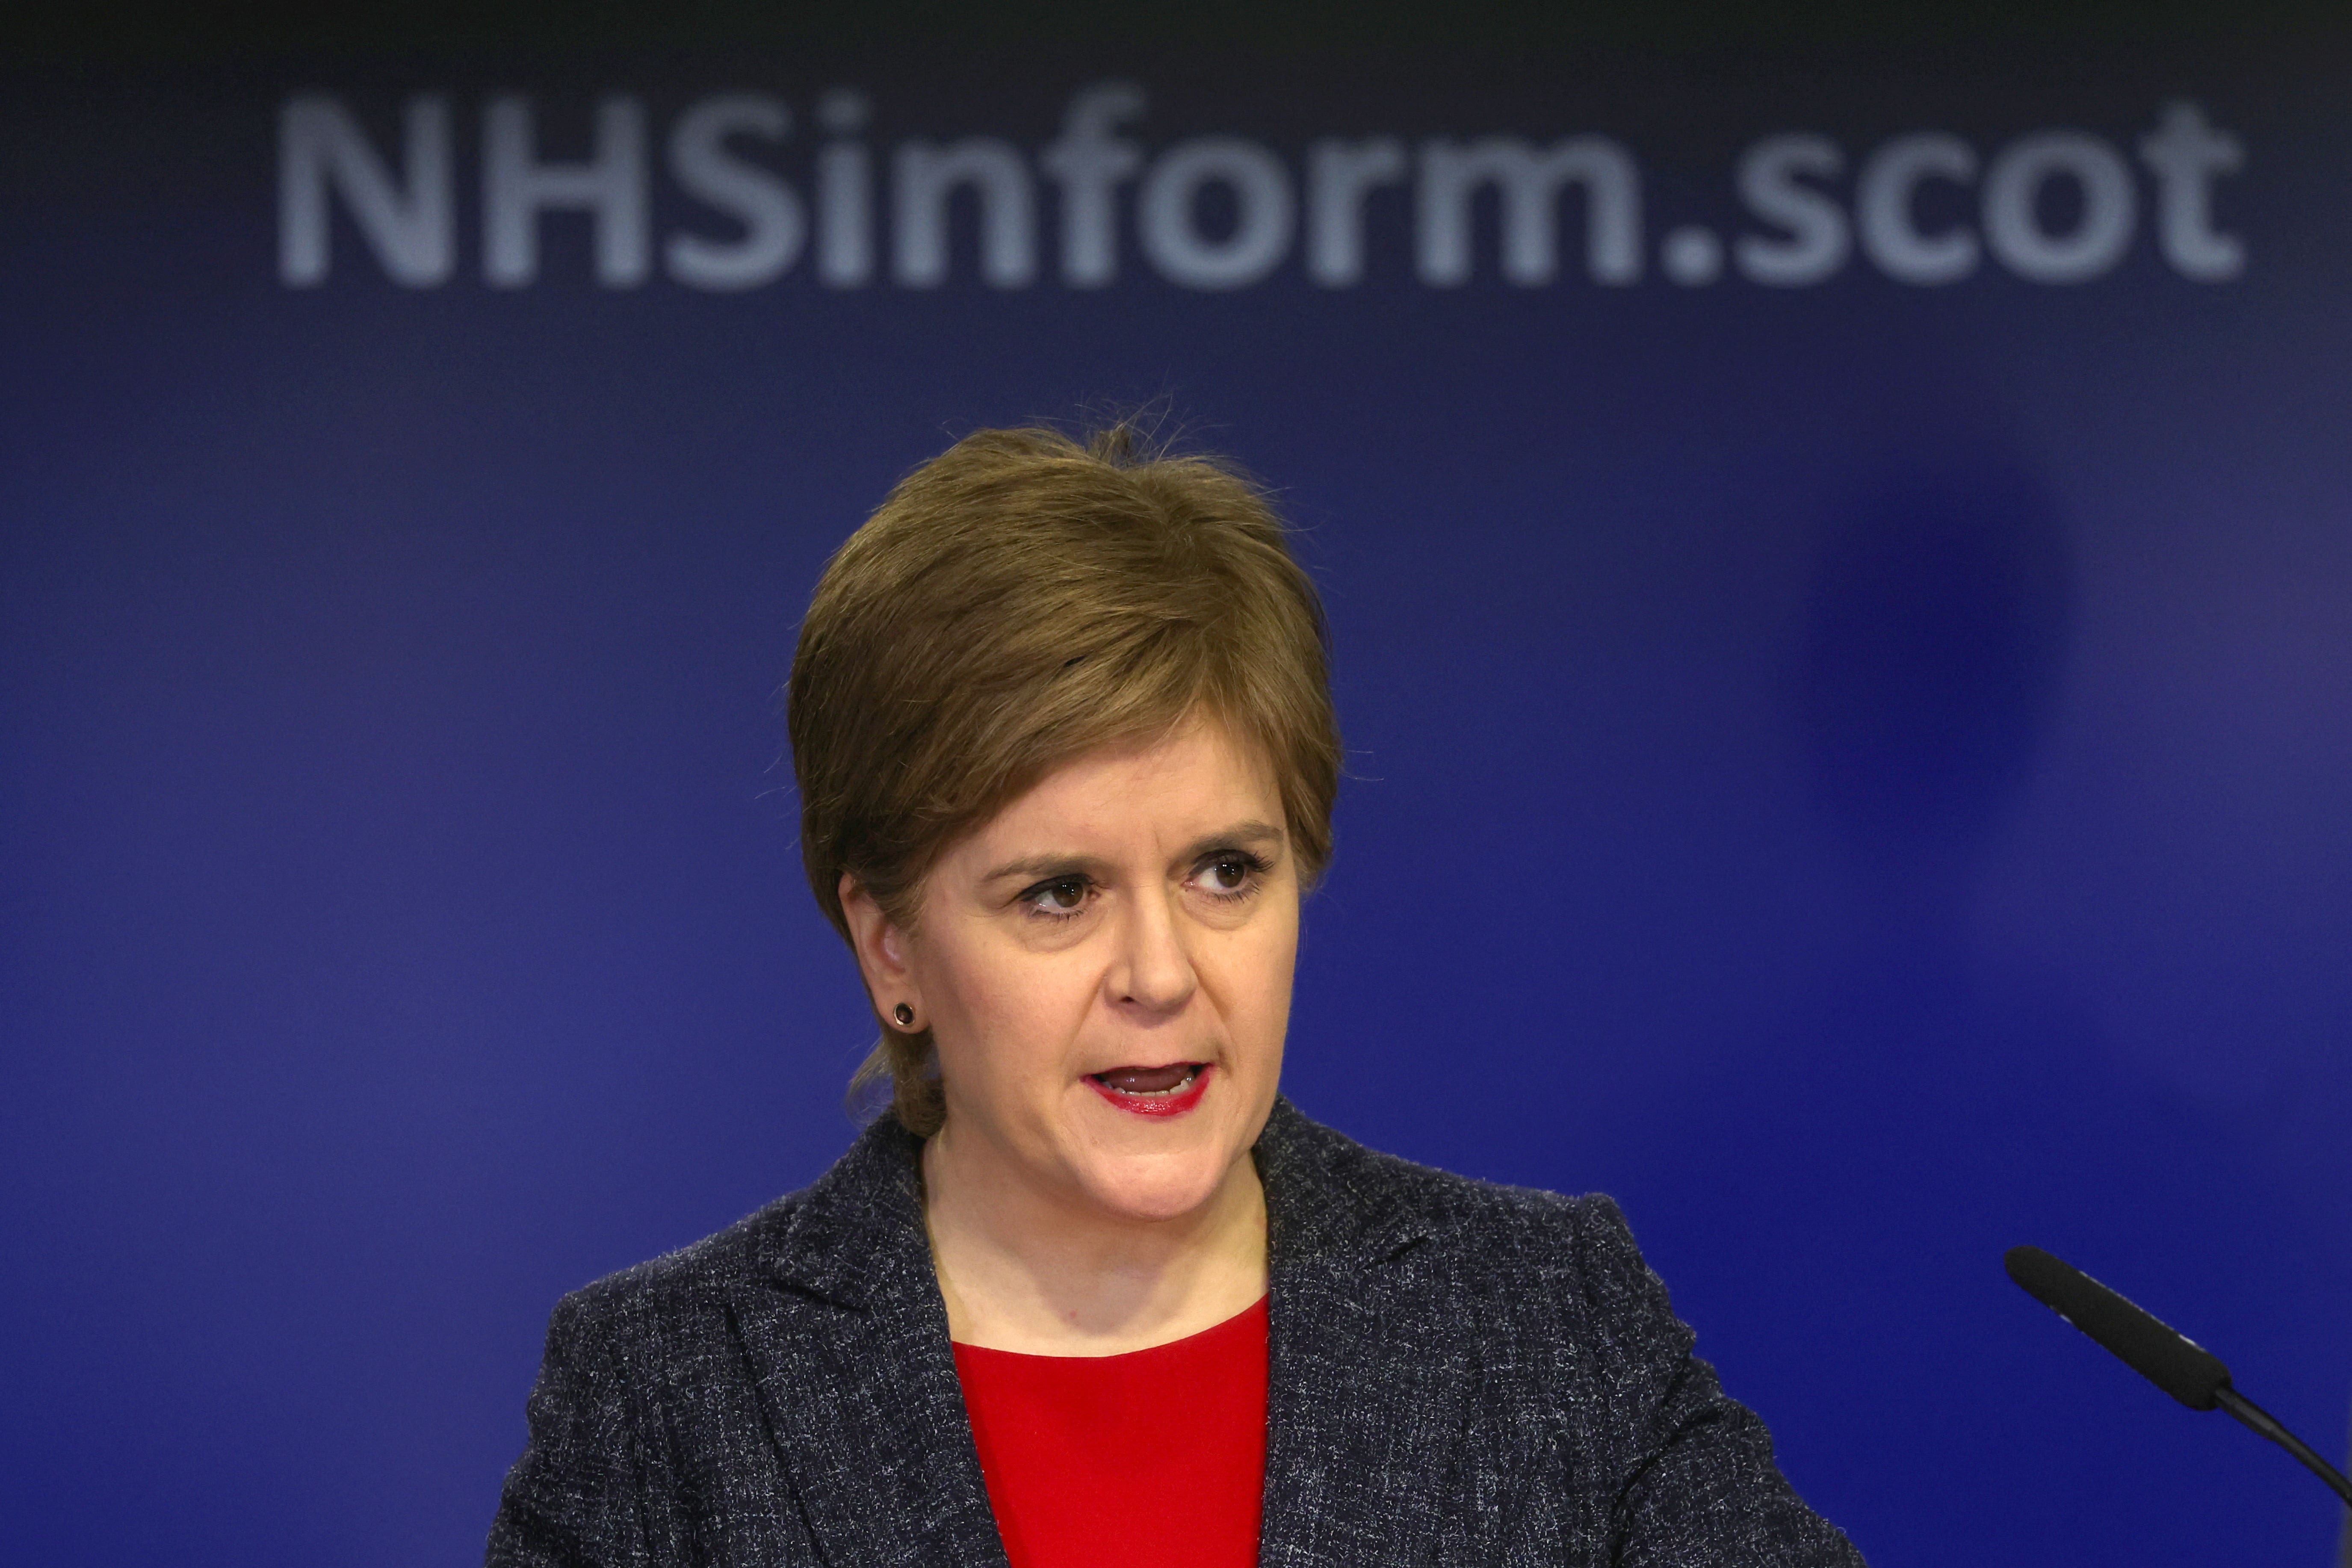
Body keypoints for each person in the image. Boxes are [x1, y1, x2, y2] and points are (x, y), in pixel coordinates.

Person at [484, 424, 1863, 1567]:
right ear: (889, 944)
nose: (1160, 974)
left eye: (1222, 870)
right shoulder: (668, 1394)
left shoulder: (1538, 1318)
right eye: (1057, 892)